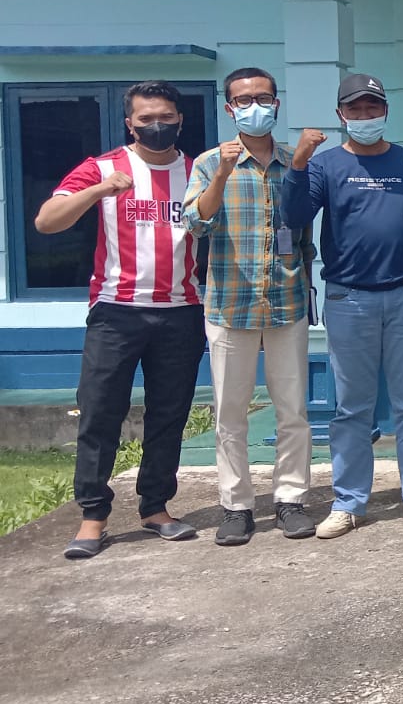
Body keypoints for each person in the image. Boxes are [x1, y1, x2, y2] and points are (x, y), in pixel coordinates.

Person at [281, 72, 403, 539]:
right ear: (341, 115)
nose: (364, 116)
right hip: (349, 298)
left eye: (372, 107)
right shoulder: (324, 165)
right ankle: (348, 501)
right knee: (352, 408)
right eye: (355, 109)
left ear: (385, 111)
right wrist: (298, 164)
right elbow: (294, 217)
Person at [34, 80, 205, 559]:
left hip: (181, 310)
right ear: (130, 123)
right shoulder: (103, 168)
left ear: (180, 120)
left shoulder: (197, 171)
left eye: (166, 117)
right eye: (146, 119)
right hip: (116, 311)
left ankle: (156, 508)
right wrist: (100, 191)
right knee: (99, 412)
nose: (157, 126)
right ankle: (93, 516)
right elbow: (47, 221)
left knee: (169, 415)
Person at [182, 68, 317, 545]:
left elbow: (303, 231)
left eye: (263, 97)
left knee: (292, 409)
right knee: (230, 411)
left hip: (285, 301)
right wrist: (222, 172)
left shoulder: (293, 161)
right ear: (229, 108)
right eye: (244, 99)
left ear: (276, 104)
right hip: (229, 304)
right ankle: (236, 505)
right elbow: (196, 223)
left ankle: (291, 499)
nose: (254, 106)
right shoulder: (208, 162)